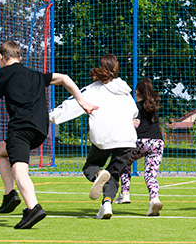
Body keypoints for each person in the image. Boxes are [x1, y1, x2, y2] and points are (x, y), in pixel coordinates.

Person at [0, 40, 96, 230]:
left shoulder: (3, 73)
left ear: (2, 58)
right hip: (41, 130)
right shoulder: (35, 74)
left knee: (20, 171)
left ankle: (33, 207)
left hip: (21, 128)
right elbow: (65, 78)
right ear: (20, 57)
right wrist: (82, 102)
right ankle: (10, 194)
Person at [49, 54, 139, 220]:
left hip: (104, 137)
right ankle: (106, 205)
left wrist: (51, 116)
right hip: (127, 139)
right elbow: (134, 112)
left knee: (91, 166)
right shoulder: (126, 92)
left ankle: (98, 174)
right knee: (114, 175)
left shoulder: (93, 89)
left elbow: (73, 103)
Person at [117, 77, 165, 216]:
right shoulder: (154, 105)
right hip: (157, 143)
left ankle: (125, 193)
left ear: (137, 92)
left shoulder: (135, 107)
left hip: (140, 142)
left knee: (125, 161)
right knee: (151, 174)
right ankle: (154, 199)